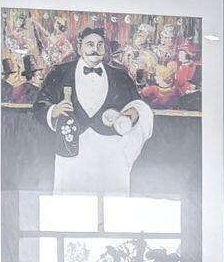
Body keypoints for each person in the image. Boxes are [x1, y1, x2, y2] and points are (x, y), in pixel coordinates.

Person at [30, 26, 155, 195]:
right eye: (90, 44)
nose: (95, 49)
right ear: (80, 48)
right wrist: (54, 110)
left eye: (100, 45)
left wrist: (131, 115)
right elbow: (40, 104)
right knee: (72, 203)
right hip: (72, 150)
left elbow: (138, 106)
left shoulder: (120, 75)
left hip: (110, 152)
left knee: (111, 203)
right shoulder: (60, 72)